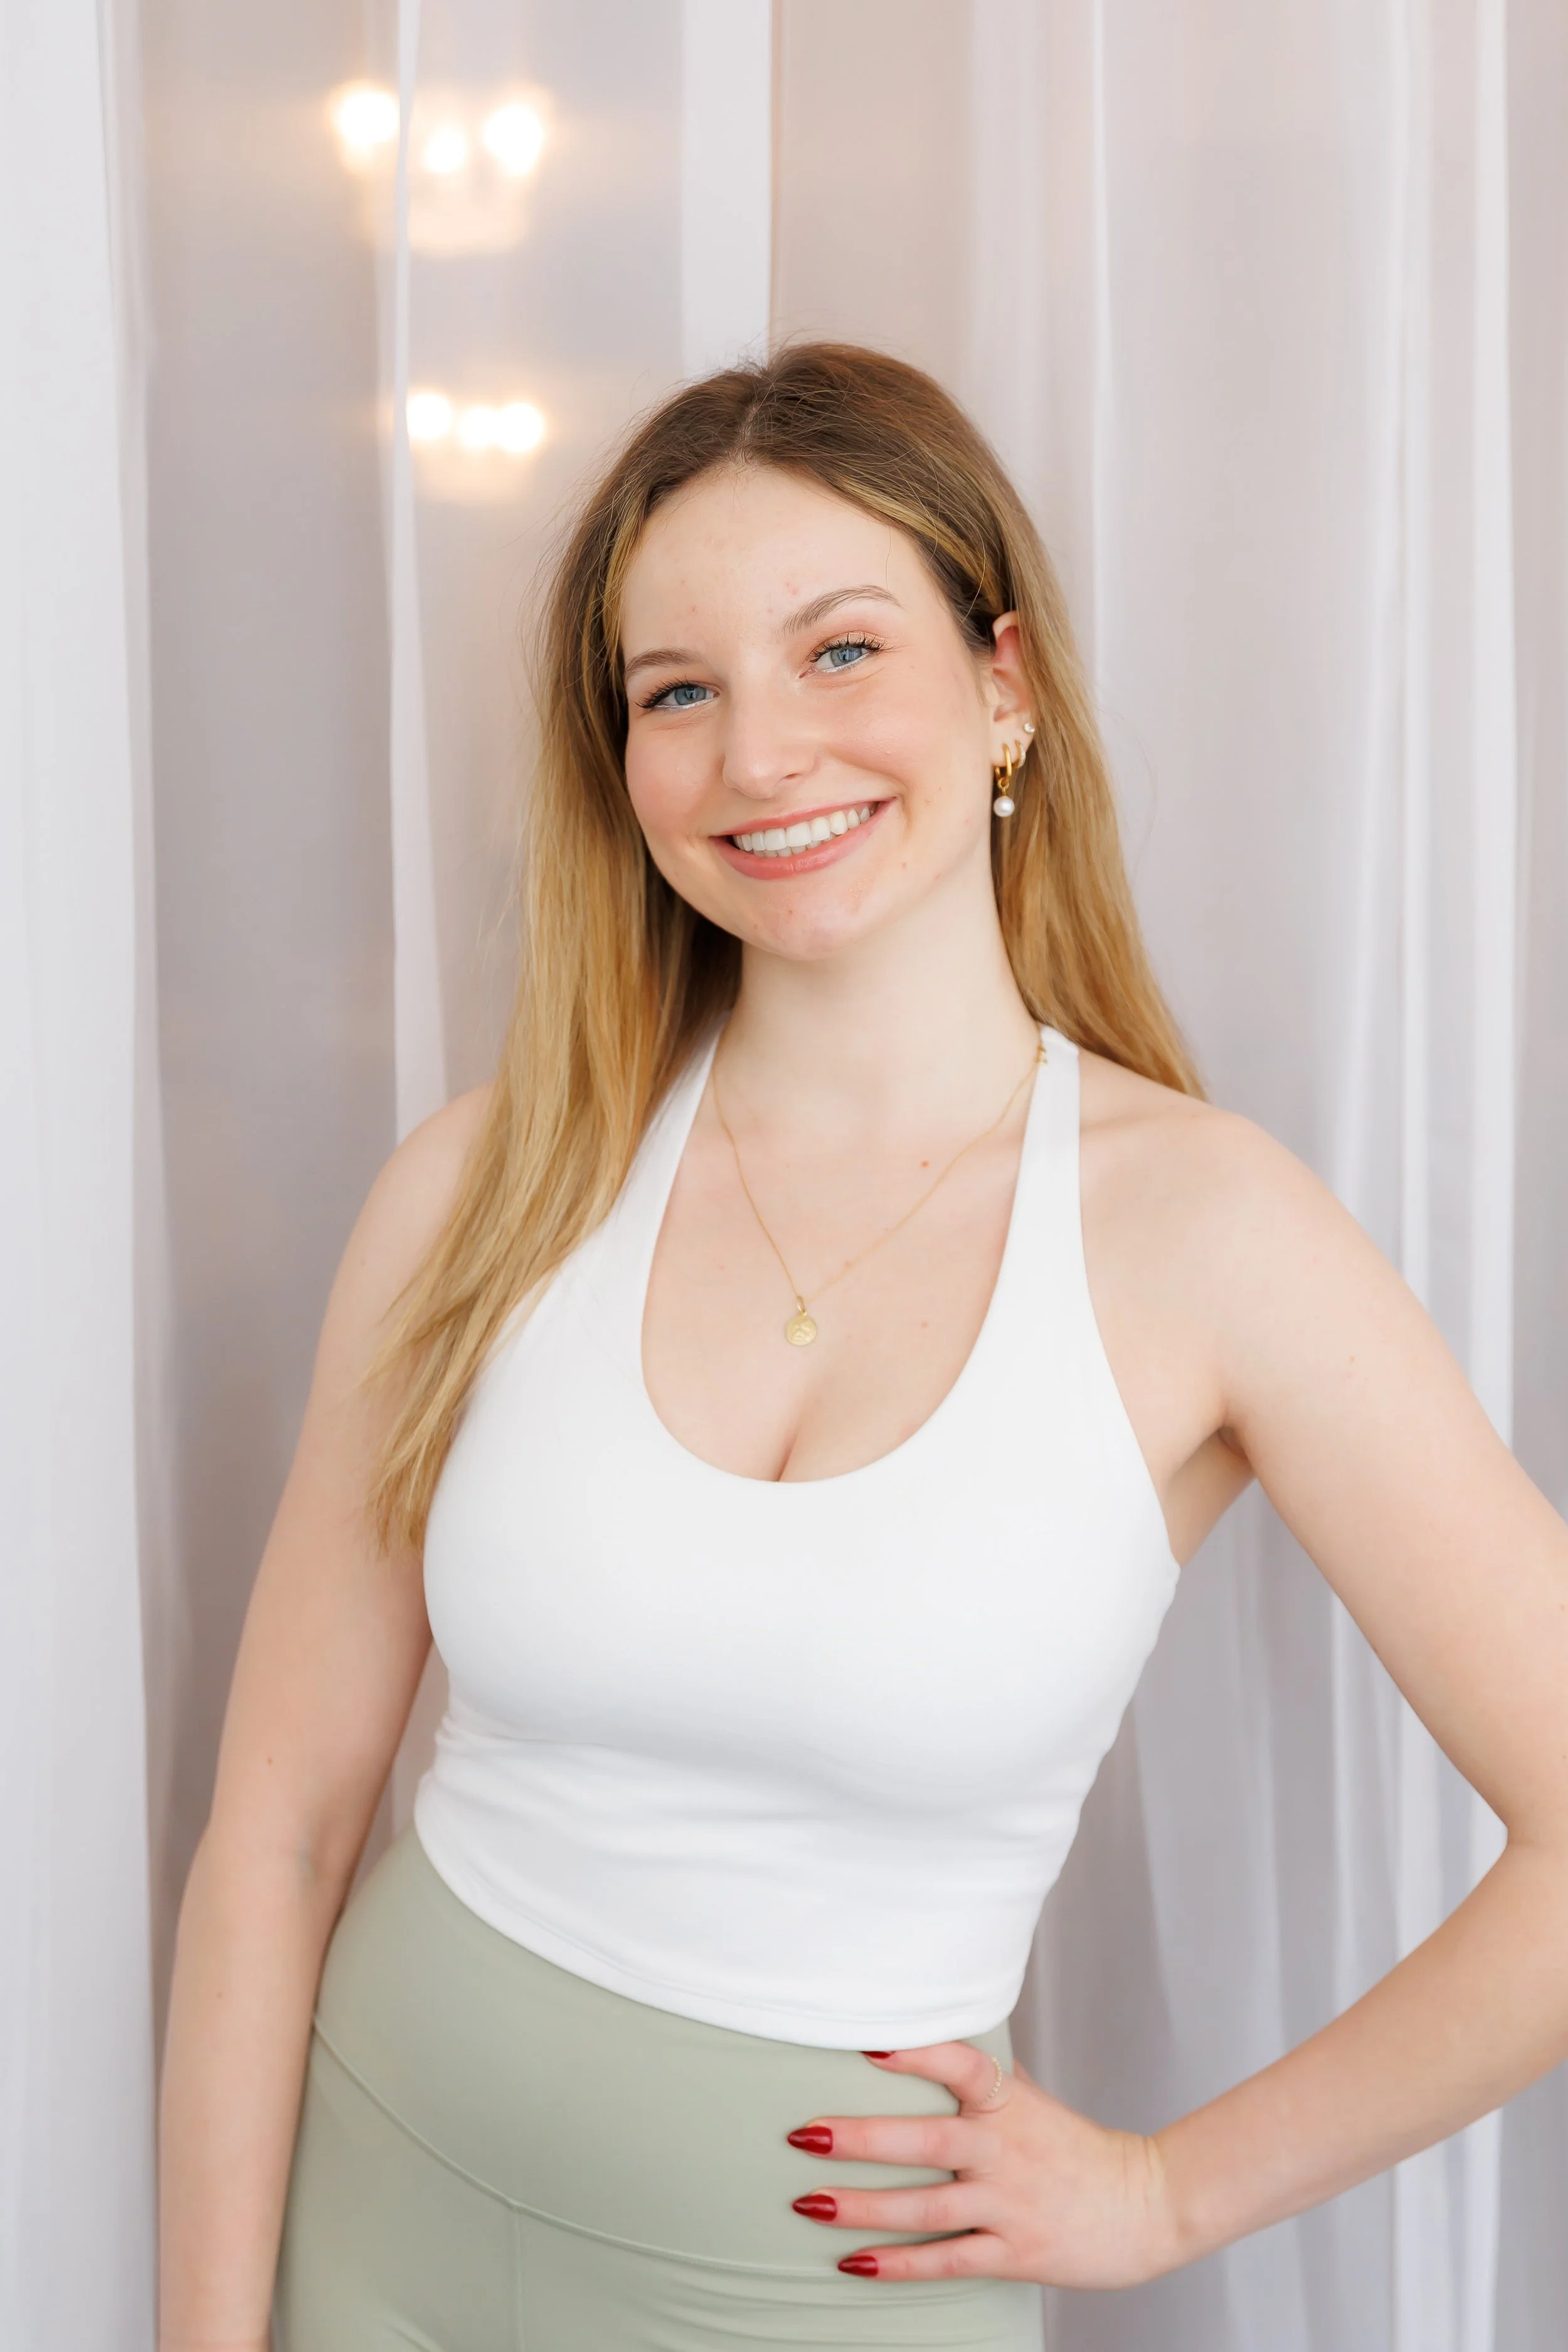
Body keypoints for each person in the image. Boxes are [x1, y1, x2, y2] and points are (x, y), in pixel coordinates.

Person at [157, 344, 1568, 2352]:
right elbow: (279, 1834)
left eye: (838, 651)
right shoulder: (484, 1182)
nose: (760, 755)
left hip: (825, 2293)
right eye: (677, 692)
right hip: (373, 2216)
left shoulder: (1210, 1235)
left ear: (1002, 685)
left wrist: (1168, 2191)